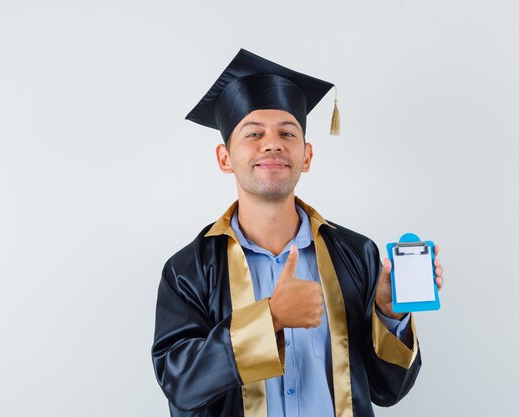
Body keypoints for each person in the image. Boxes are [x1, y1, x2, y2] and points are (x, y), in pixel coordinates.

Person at [151, 49, 444, 417]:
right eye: (253, 133)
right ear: (225, 158)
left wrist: (388, 312)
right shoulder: (189, 269)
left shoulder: (356, 255)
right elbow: (180, 385)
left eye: (287, 133)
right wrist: (270, 318)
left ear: (306, 156)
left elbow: (389, 391)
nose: (271, 143)